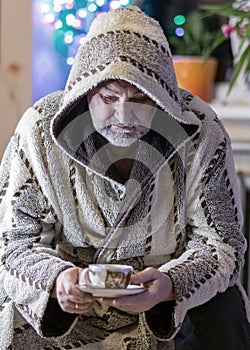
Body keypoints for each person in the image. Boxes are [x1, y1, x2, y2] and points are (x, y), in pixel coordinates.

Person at [0, 5, 249, 350]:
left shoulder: (203, 133)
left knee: (224, 307)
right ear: (86, 91)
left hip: (166, 305)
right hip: (73, 305)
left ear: (162, 97)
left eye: (139, 98)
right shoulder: (37, 133)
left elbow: (223, 245)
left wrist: (169, 285)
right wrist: (57, 281)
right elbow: (14, 247)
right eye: (108, 97)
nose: (123, 115)